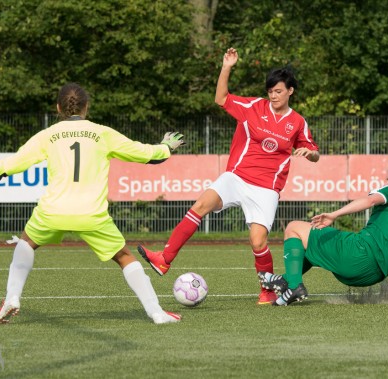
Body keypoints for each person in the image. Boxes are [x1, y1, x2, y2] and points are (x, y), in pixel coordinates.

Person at [0, 83, 186, 324]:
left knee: (26, 243)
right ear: (87, 107)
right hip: (91, 214)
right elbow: (145, 154)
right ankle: (156, 313)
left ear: (58, 108)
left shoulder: (48, 135)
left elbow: (11, 165)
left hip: (53, 211)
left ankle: (12, 297)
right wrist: (166, 147)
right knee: (125, 257)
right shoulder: (103, 133)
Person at [137, 47, 320, 305]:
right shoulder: (254, 106)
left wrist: (309, 154)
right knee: (200, 205)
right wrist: (227, 67)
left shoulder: (298, 122)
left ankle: (267, 290)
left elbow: (314, 151)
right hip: (236, 177)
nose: (273, 95)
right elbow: (221, 98)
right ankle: (164, 259)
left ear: (290, 91)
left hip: (266, 188)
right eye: (270, 91)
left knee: (258, 242)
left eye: (278, 91)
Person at [259, 159, 388, 305]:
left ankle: (293, 284)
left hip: (358, 255)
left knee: (293, 228)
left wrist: (334, 214)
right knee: (312, 246)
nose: (386, 182)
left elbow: (369, 201)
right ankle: (287, 281)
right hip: (371, 277)